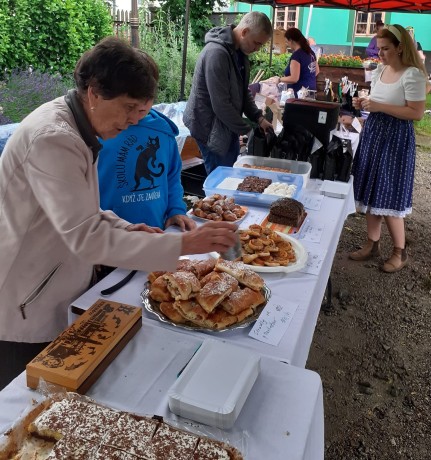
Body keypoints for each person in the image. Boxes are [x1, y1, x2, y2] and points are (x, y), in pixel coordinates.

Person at [0, 37, 238, 390]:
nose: (131, 122)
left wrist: (126, 226)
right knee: (30, 399)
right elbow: (84, 236)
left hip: (54, 280)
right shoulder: (54, 137)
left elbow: (82, 208)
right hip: (27, 298)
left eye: (141, 111)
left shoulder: (78, 123)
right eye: (128, 108)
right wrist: (184, 245)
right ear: (94, 92)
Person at [350, 24, 427, 273]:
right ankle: (372, 244)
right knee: (371, 190)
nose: (379, 53)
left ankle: (399, 251)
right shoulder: (381, 69)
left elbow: (415, 113)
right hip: (374, 133)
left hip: (395, 138)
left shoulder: (412, 74)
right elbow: (379, 102)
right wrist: (363, 103)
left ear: (400, 48)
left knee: (390, 193)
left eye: (385, 49)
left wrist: (379, 107)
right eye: (379, 48)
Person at [183, 11, 274, 175]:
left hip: (225, 124)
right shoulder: (216, 53)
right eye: (256, 43)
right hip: (209, 127)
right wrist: (247, 130)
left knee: (228, 172)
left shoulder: (240, 54)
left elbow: (243, 92)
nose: (257, 49)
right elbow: (221, 104)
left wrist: (259, 119)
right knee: (221, 178)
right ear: (244, 32)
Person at [98, 108, 196, 231]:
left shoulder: (163, 133)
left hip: (156, 232)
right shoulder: (98, 134)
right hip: (110, 236)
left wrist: (176, 210)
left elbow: (172, 178)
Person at [279, 28, 319, 97]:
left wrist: (279, 79)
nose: (287, 44)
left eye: (286, 42)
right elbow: (316, 71)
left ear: (291, 40)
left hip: (300, 94)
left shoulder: (296, 56)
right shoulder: (310, 52)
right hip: (311, 91)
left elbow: (294, 78)